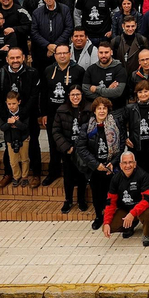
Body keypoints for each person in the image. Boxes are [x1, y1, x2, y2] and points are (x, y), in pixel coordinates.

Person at [77, 97, 123, 229]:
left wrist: (113, 162)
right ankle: (99, 216)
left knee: (113, 193)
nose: (102, 111)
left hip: (111, 167)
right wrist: (96, 165)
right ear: (94, 111)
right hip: (95, 168)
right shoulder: (87, 127)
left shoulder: (116, 124)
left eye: (104, 108)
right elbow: (81, 148)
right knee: (97, 194)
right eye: (99, 108)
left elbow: (122, 144)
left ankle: (113, 216)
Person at [101, 149, 149, 245]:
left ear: (135, 164)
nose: (128, 165)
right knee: (109, 226)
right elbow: (110, 202)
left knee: (147, 213)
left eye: (130, 162)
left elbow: (147, 200)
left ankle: (147, 234)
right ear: (120, 165)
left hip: (140, 209)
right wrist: (106, 222)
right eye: (125, 163)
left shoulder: (143, 176)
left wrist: (132, 214)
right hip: (125, 208)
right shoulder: (115, 179)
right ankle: (129, 227)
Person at [50, 85, 88, 214]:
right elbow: (56, 131)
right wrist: (66, 147)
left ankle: (81, 200)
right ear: (69, 96)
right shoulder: (61, 110)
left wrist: (82, 148)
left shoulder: (88, 110)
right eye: (73, 95)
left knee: (82, 175)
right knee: (68, 176)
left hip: (83, 150)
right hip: (68, 149)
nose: (75, 97)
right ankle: (68, 200)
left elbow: (91, 130)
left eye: (78, 94)